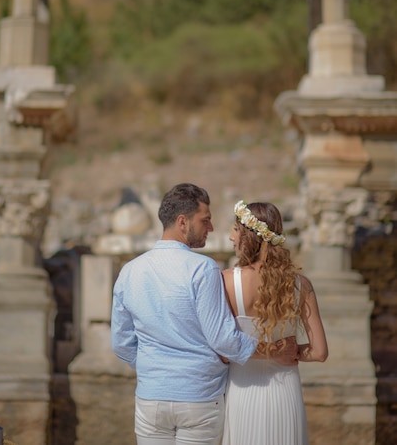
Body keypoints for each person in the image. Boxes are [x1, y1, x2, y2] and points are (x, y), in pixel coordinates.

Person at [111, 183, 298, 445]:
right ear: (182, 222)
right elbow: (224, 340)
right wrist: (276, 350)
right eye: (205, 220)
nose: (210, 228)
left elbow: (121, 344)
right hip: (199, 397)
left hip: (150, 397)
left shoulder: (129, 271)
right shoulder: (203, 269)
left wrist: (153, 369)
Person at [222, 200, 328, 445]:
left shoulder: (227, 281)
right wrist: (290, 351)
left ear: (250, 236)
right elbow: (320, 352)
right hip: (285, 392)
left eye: (236, 230)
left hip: (243, 391)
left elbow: (223, 349)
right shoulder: (302, 285)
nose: (230, 237)